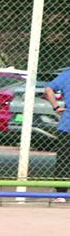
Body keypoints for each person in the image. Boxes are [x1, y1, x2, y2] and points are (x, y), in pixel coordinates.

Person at [41, 66, 70, 200]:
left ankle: (61, 193)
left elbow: (48, 89)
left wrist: (56, 106)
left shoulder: (67, 74)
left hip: (67, 124)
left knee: (64, 159)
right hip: (67, 125)